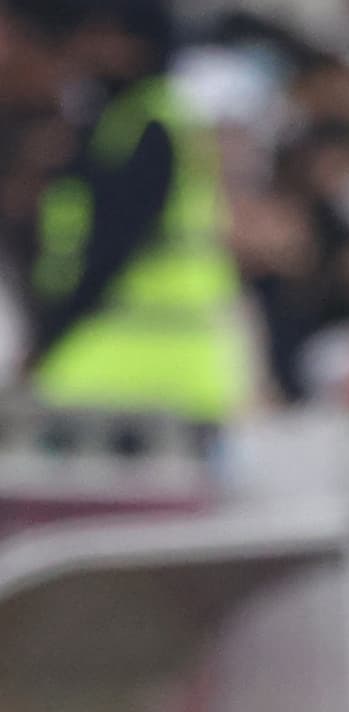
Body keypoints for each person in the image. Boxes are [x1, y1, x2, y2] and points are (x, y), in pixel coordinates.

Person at [12, 0, 249, 424]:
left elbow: (111, 244)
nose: (94, 47)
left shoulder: (147, 125)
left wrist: (50, 334)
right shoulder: (118, 121)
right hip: (140, 368)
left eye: (109, 36)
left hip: (131, 369)